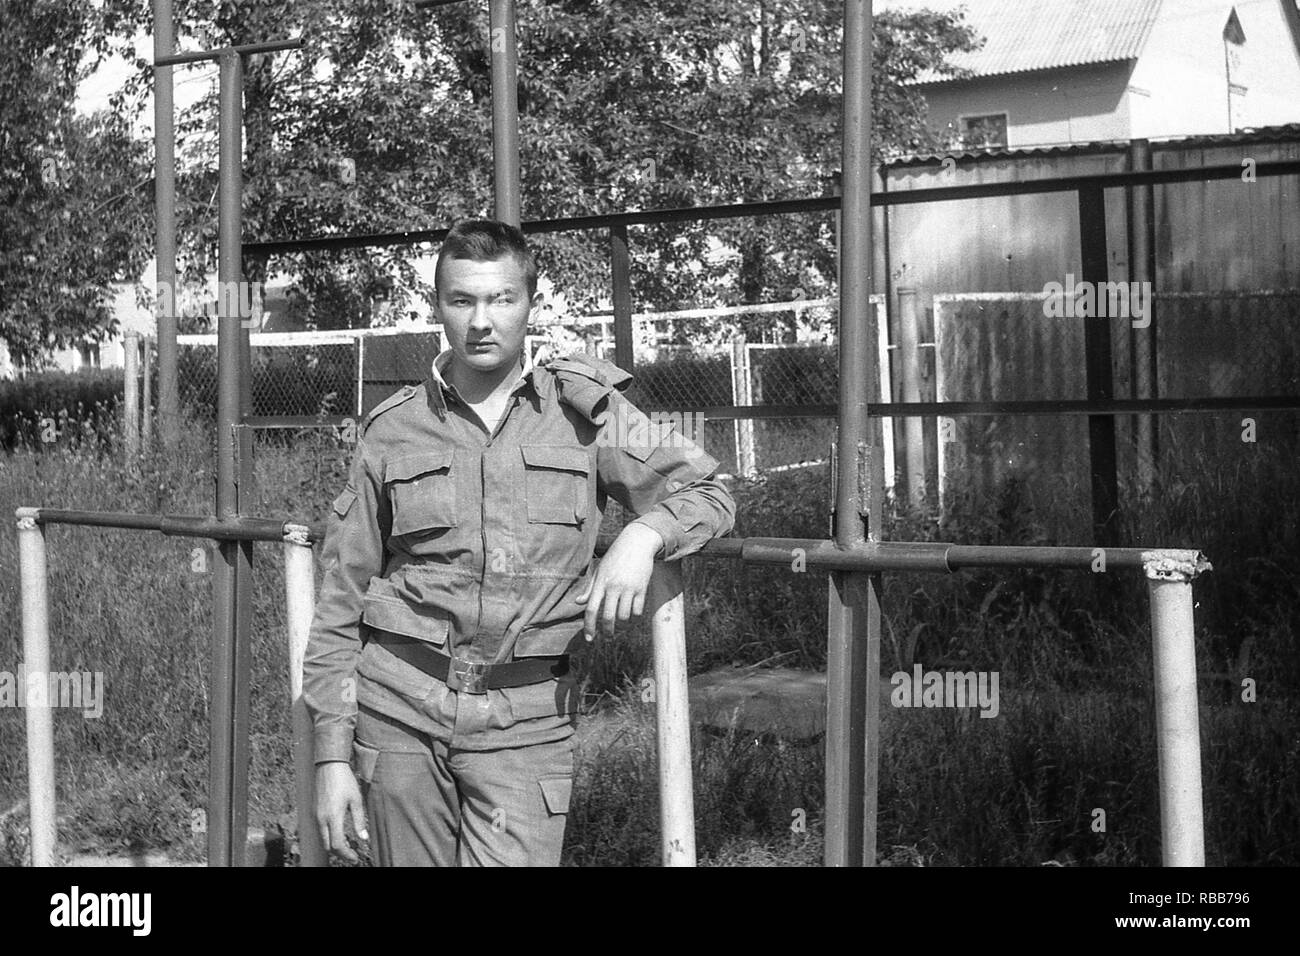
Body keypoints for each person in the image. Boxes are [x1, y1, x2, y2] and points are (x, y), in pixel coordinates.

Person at [303, 219, 736, 866]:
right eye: (463, 300)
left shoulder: (583, 414)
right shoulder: (393, 430)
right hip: (398, 710)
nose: (482, 321)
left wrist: (644, 534)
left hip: (525, 719)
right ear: (437, 307)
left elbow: (711, 491)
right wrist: (332, 756)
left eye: (502, 299)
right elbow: (342, 597)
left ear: (531, 303)